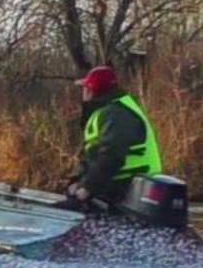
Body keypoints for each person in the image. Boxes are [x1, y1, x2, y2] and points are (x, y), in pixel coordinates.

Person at [64, 64, 161, 207]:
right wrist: (77, 181)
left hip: (126, 188)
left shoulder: (116, 114)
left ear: (92, 90)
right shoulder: (106, 111)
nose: (83, 92)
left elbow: (112, 156)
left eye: (85, 88)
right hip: (119, 186)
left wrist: (87, 189)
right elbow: (92, 154)